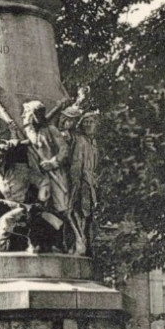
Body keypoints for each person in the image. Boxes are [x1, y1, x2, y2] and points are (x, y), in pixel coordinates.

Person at [60, 106, 99, 255]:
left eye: (91, 122)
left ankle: (83, 244)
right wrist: (75, 186)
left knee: (87, 215)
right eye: (86, 122)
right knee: (77, 213)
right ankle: (75, 245)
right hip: (79, 182)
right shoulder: (79, 140)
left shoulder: (93, 143)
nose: (88, 125)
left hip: (89, 184)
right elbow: (76, 165)